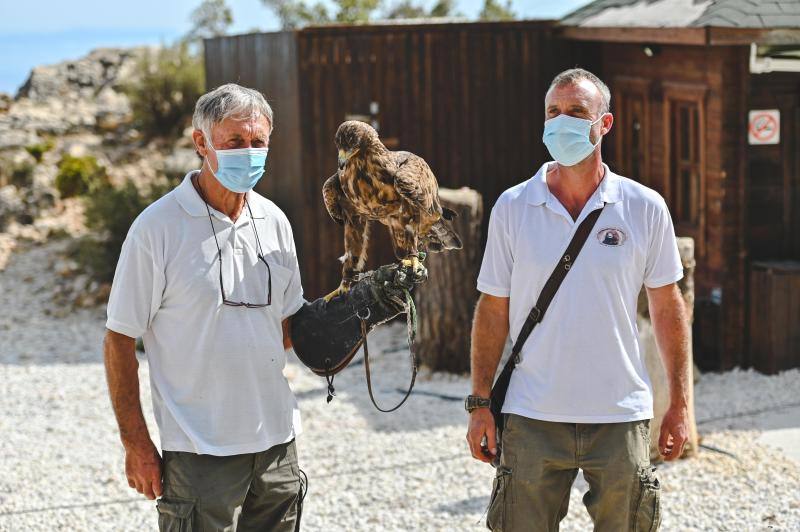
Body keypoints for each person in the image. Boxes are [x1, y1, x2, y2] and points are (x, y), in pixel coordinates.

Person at [465, 68, 690, 531]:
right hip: (531, 416)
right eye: (553, 112)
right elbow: (493, 310)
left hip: (620, 415)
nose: (561, 122)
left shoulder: (644, 206)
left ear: (603, 124)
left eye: (576, 112)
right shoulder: (513, 206)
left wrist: (680, 404)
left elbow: (668, 309)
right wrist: (480, 403)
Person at [104, 83, 306, 531]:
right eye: (235, 141)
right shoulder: (156, 228)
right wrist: (136, 443)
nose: (249, 153)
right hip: (199, 452)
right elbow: (119, 338)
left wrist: (354, 314)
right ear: (202, 142)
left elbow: (289, 330)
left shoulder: (275, 221)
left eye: (258, 142)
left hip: (278, 448)